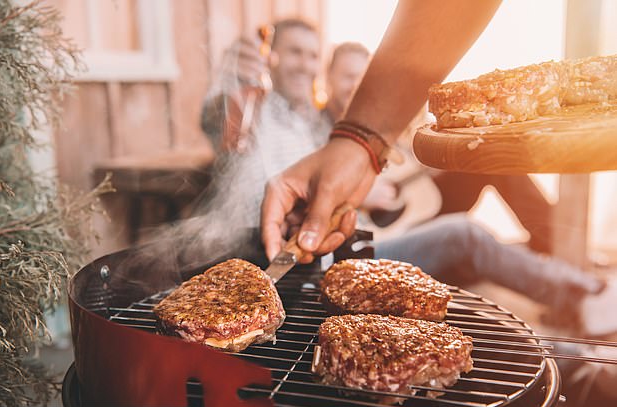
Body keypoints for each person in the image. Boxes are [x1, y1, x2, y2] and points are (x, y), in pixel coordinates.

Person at [260, 0, 606, 311]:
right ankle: (583, 294)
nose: (304, 65)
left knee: (489, 158)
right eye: (294, 53)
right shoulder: (283, 117)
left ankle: (560, 253)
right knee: (465, 233)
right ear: (329, 78)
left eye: (362, 78)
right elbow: (229, 125)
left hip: (402, 216)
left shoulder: (346, 124)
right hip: (367, 241)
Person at [200, 18, 330, 227]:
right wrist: (231, 78)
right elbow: (212, 117)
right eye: (295, 52)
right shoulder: (249, 105)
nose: (305, 66)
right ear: (269, 56)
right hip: (248, 244)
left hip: (306, 244)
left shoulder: (310, 120)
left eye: (313, 56)